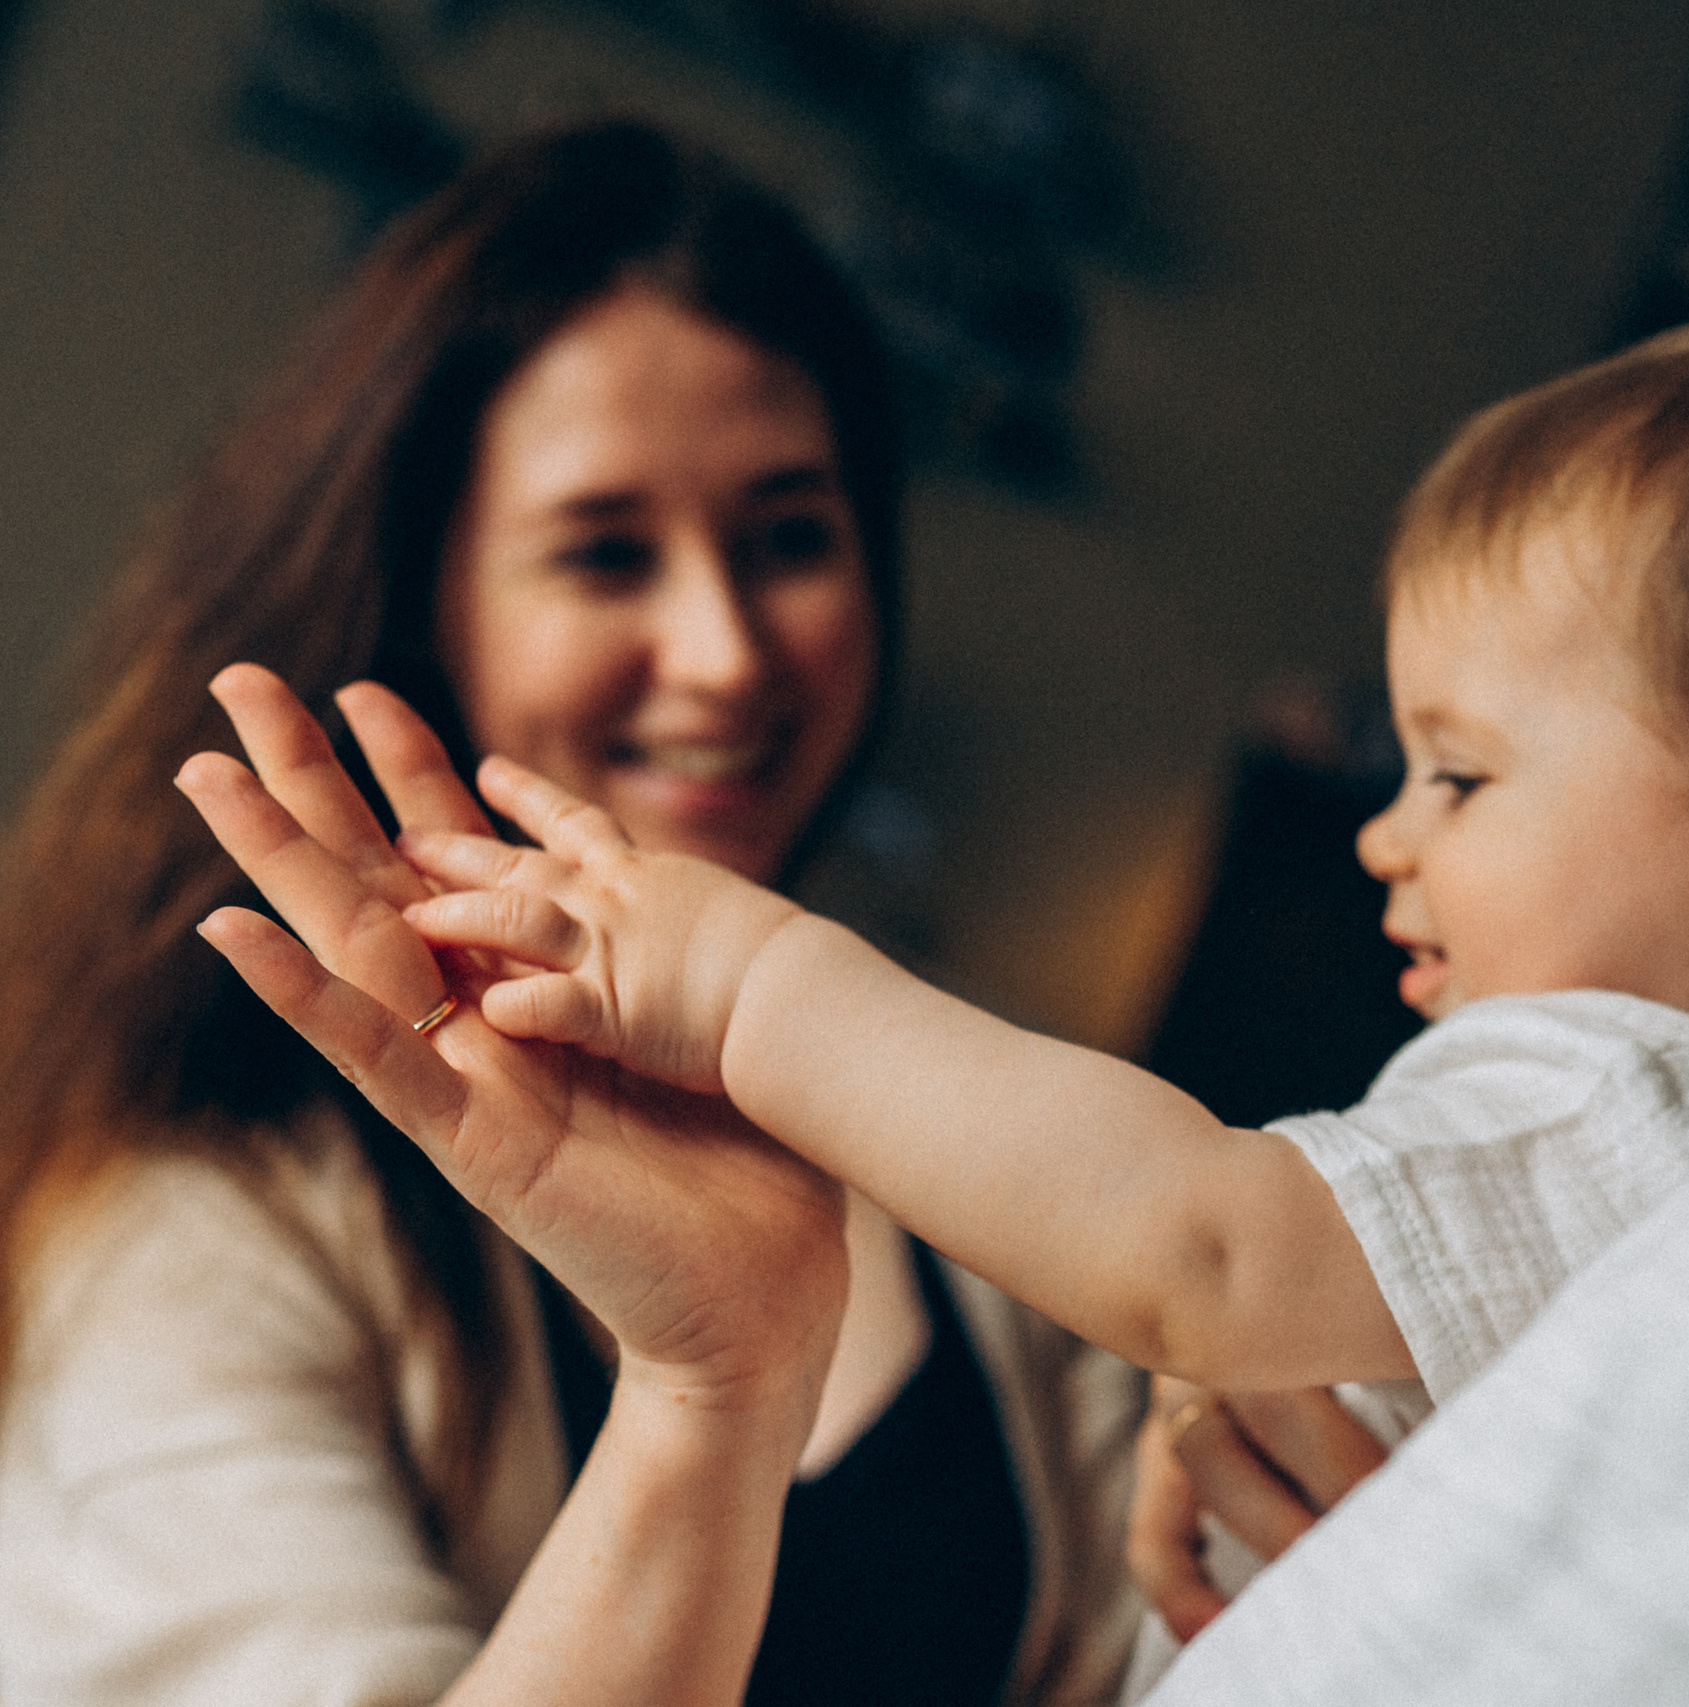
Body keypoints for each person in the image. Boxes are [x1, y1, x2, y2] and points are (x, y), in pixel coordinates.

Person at [155, 0, 1689, 1697]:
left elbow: (1190, 1236)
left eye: (1465, 775)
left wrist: (741, 985)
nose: (1388, 838)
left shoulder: (1639, 1086)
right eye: (600, 551)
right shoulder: (196, 1249)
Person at [0, 122, 1139, 1706]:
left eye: (791, 537)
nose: (727, 650)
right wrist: (717, 1389)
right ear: (425, 609)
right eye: (607, 553)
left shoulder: (980, 1112)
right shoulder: (205, 1221)